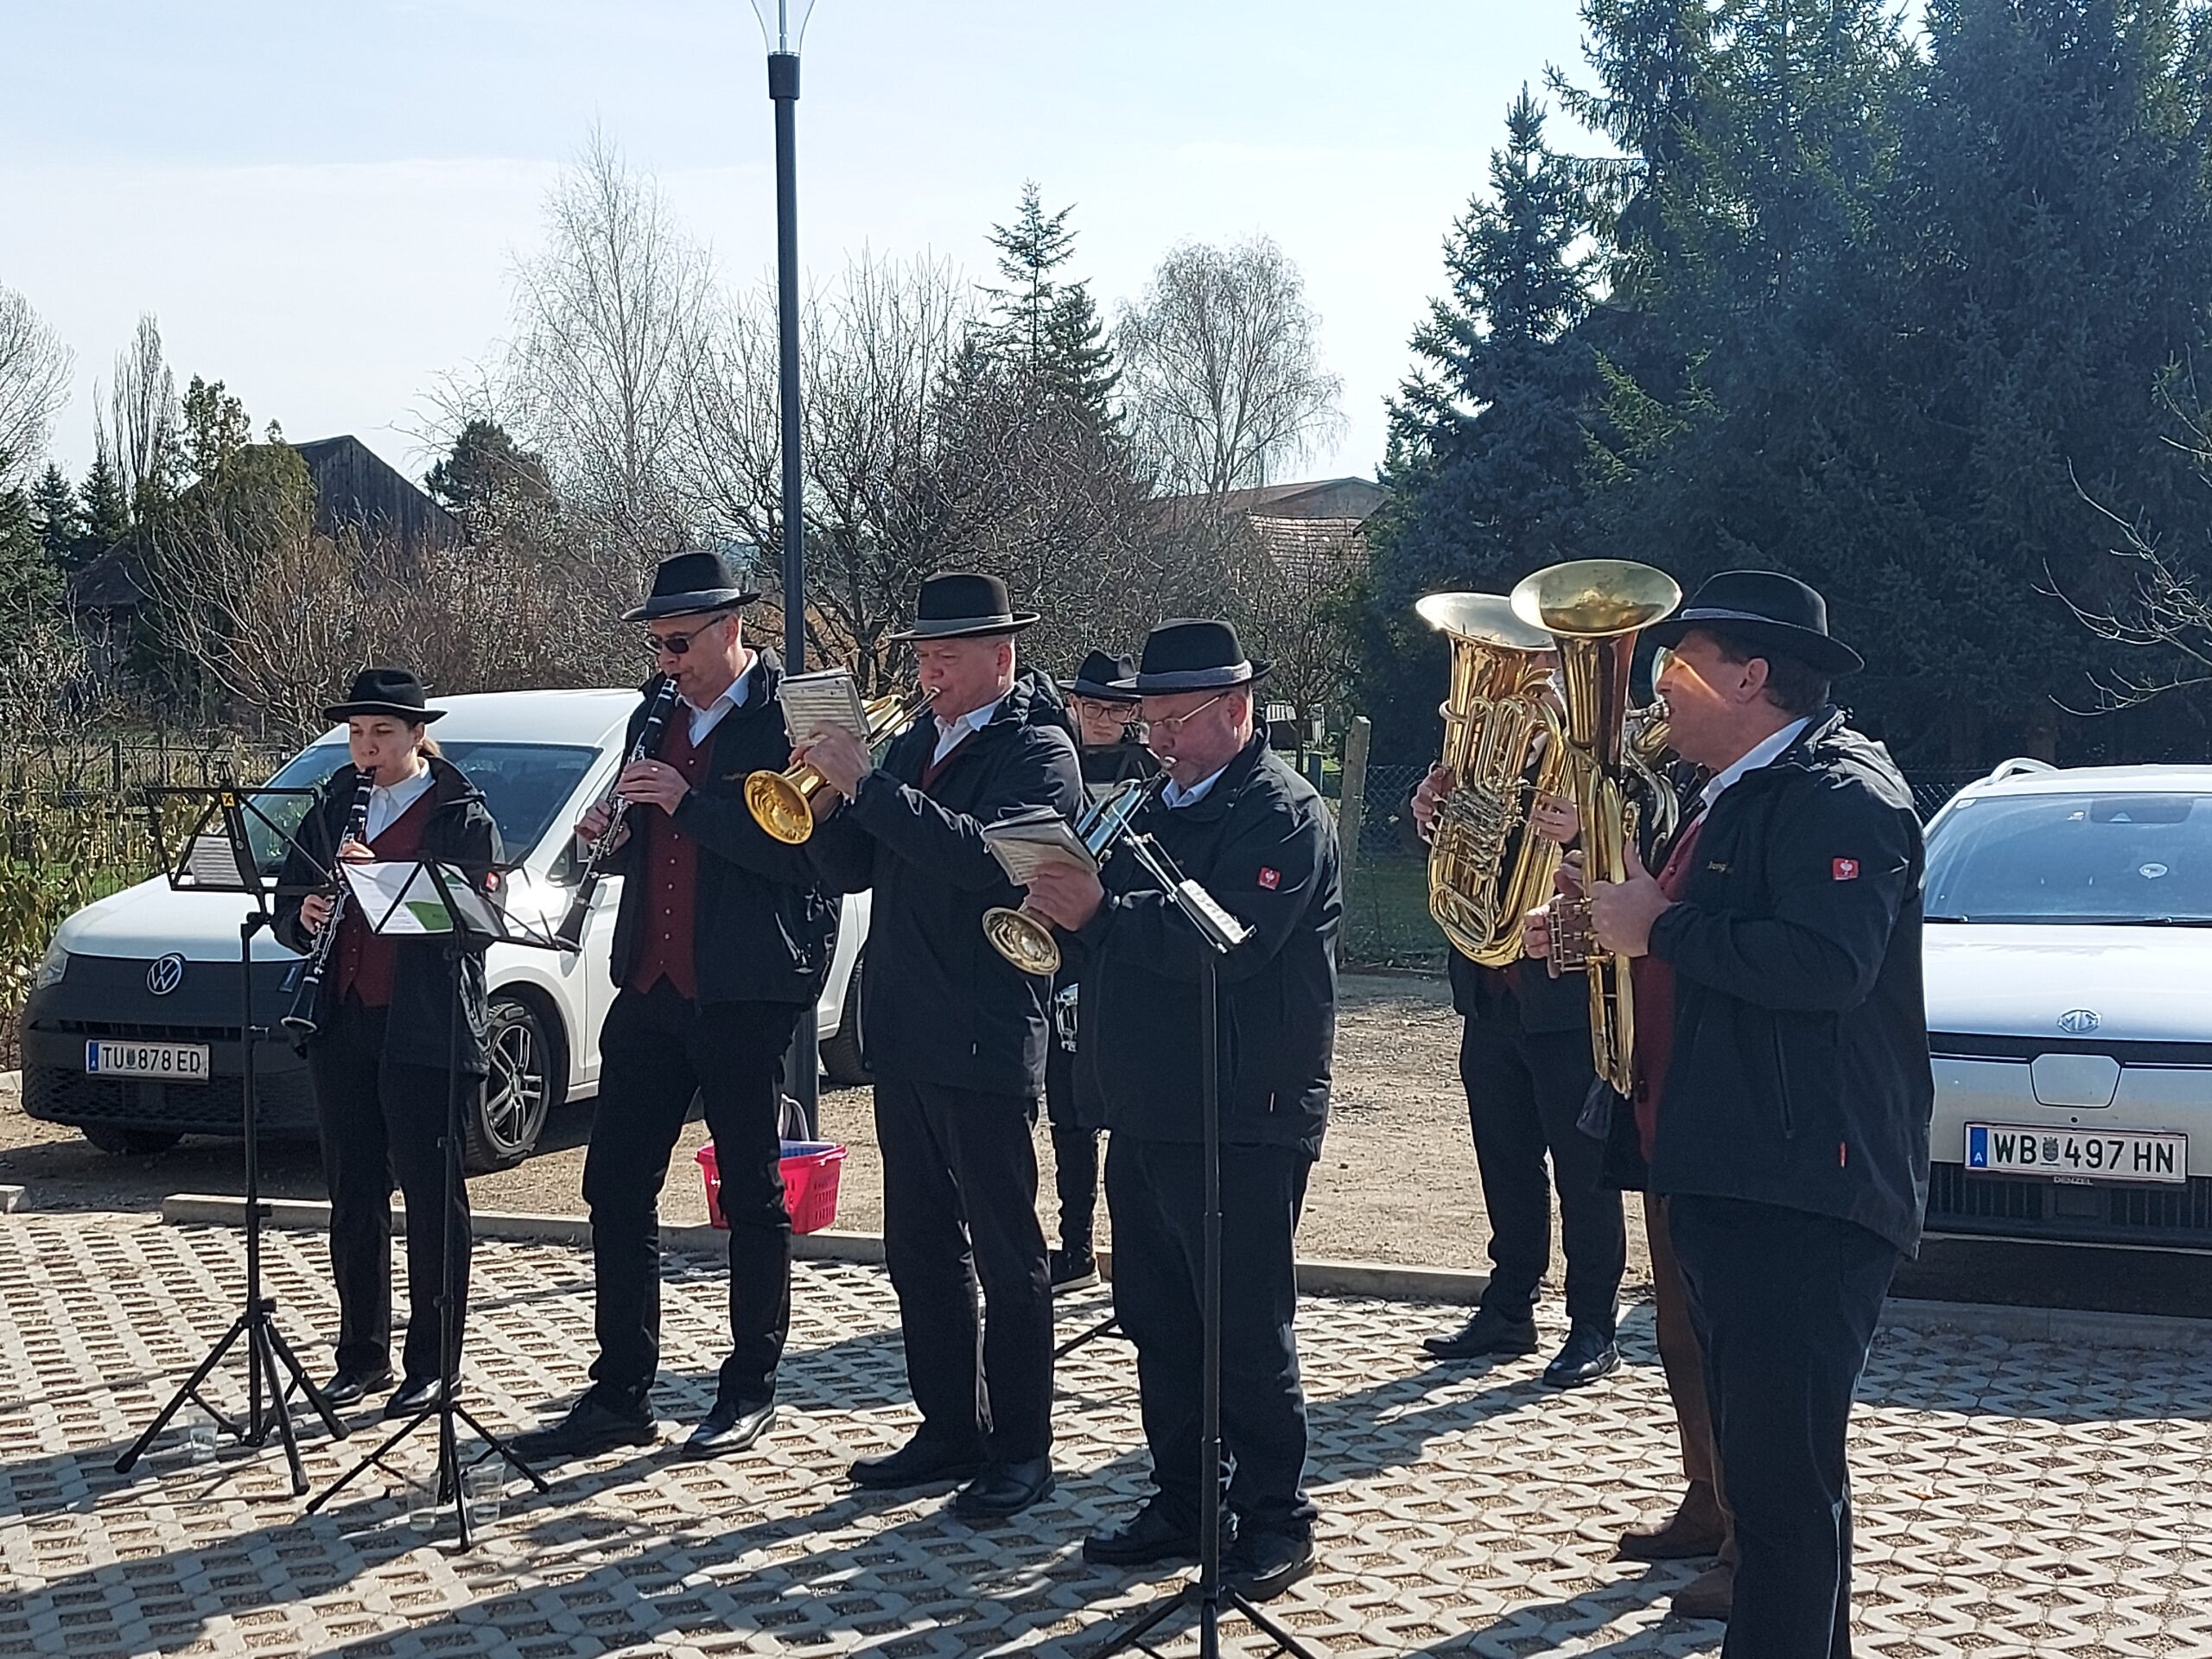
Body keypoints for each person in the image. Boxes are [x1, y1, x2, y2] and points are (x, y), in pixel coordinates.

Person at [1531, 570, 1929, 1659]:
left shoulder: (1842, 795)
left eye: (1680, 664)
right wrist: (1600, 930)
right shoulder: (1732, 794)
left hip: (1801, 1184)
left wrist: (1655, 926)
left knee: (1784, 1496)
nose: (1658, 684)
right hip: (1731, 1168)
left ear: (1750, 678)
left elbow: (1826, 965)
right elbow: (1699, 948)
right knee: (1776, 1484)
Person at [1026, 619, 1342, 1602]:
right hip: (1148, 1105)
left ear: (1236, 710)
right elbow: (1110, 938)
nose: (1157, 741)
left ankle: (1276, 1515)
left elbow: (1232, 944)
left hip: (1246, 1108)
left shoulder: (1282, 813)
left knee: (1242, 1325)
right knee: (1156, 1319)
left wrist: (1101, 913)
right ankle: (1184, 1499)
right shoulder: (1143, 806)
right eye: (1148, 722)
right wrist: (1060, 911)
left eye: (1175, 721)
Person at [512, 550, 844, 1465]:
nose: (666, 660)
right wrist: (610, 836)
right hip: (651, 983)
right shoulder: (649, 714)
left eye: (679, 643)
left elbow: (805, 856)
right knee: (614, 1185)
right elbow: (652, 843)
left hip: (744, 989)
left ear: (731, 628)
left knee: (751, 1191)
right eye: (657, 643)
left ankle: (749, 1388)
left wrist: (688, 803)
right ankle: (621, 1391)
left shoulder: (789, 716)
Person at [799, 571, 1084, 1522]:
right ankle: (948, 1426)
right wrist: (824, 808)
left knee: (1008, 1250)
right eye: (923, 659)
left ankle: (1023, 1446)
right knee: (918, 1248)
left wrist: (869, 786)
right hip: (906, 1028)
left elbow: (983, 860)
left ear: (1002, 657)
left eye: (946, 660)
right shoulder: (918, 740)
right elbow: (855, 870)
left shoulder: (1039, 749)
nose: (929, 676)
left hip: (986, 1029)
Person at [274, 667, 501, 1417]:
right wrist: (303, 913)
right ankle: (361, 1355)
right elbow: (287, 903)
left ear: (416, 735)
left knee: (433, 1198)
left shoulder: (460, 811)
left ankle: (435, 1364)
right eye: (356, 733)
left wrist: (389, 884)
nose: (366, 747)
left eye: (382, 732)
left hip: (425, 1024)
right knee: (354, 1193)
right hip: (341, 1019)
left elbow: (475, 927)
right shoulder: (334, 802)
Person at [1410, 702, 1627, 1390]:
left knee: (1583, 1172)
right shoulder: (1475, 761)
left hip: (1567, 1004)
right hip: (1490, 995)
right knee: (1504, 1161)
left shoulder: (1601, 758)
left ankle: (1593, 1325)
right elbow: (1454, 862)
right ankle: (1509, 1307)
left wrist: (1586, 830)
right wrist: (1431, 820)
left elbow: (1643, 856)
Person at [1045, 649, 1157, 1290]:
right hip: (1063, 949)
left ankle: (1136, 1258)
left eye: (1117, 710)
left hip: (1122, 942)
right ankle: (1076, 1244)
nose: (1105, 720)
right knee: (1069, 1112)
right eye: (1094, 707)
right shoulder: (1052, 764)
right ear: (1074, 706)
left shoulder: (1150, 771)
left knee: (1129, 1113)